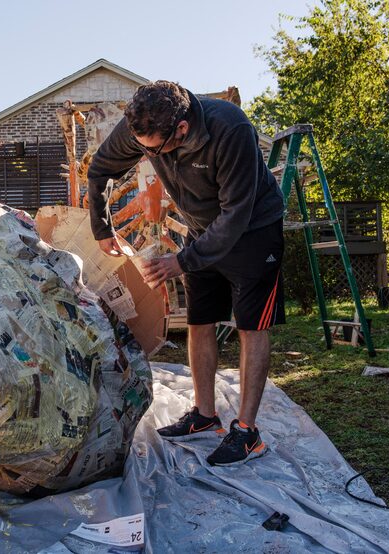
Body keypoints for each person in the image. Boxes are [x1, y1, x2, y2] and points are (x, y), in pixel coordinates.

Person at [87, 81, 285, 465]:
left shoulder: (231, 130)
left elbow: (235, 215)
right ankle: (204, 415)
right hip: (201, 230)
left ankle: (246, 432)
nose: (145, 153)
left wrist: (180, 261)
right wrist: (101, 227)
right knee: (199, 320)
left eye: (153, 149)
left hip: (253, 230)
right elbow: (101, 168)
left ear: (181, 129)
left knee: (251, 326)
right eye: (140, 146)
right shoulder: (143, 127)